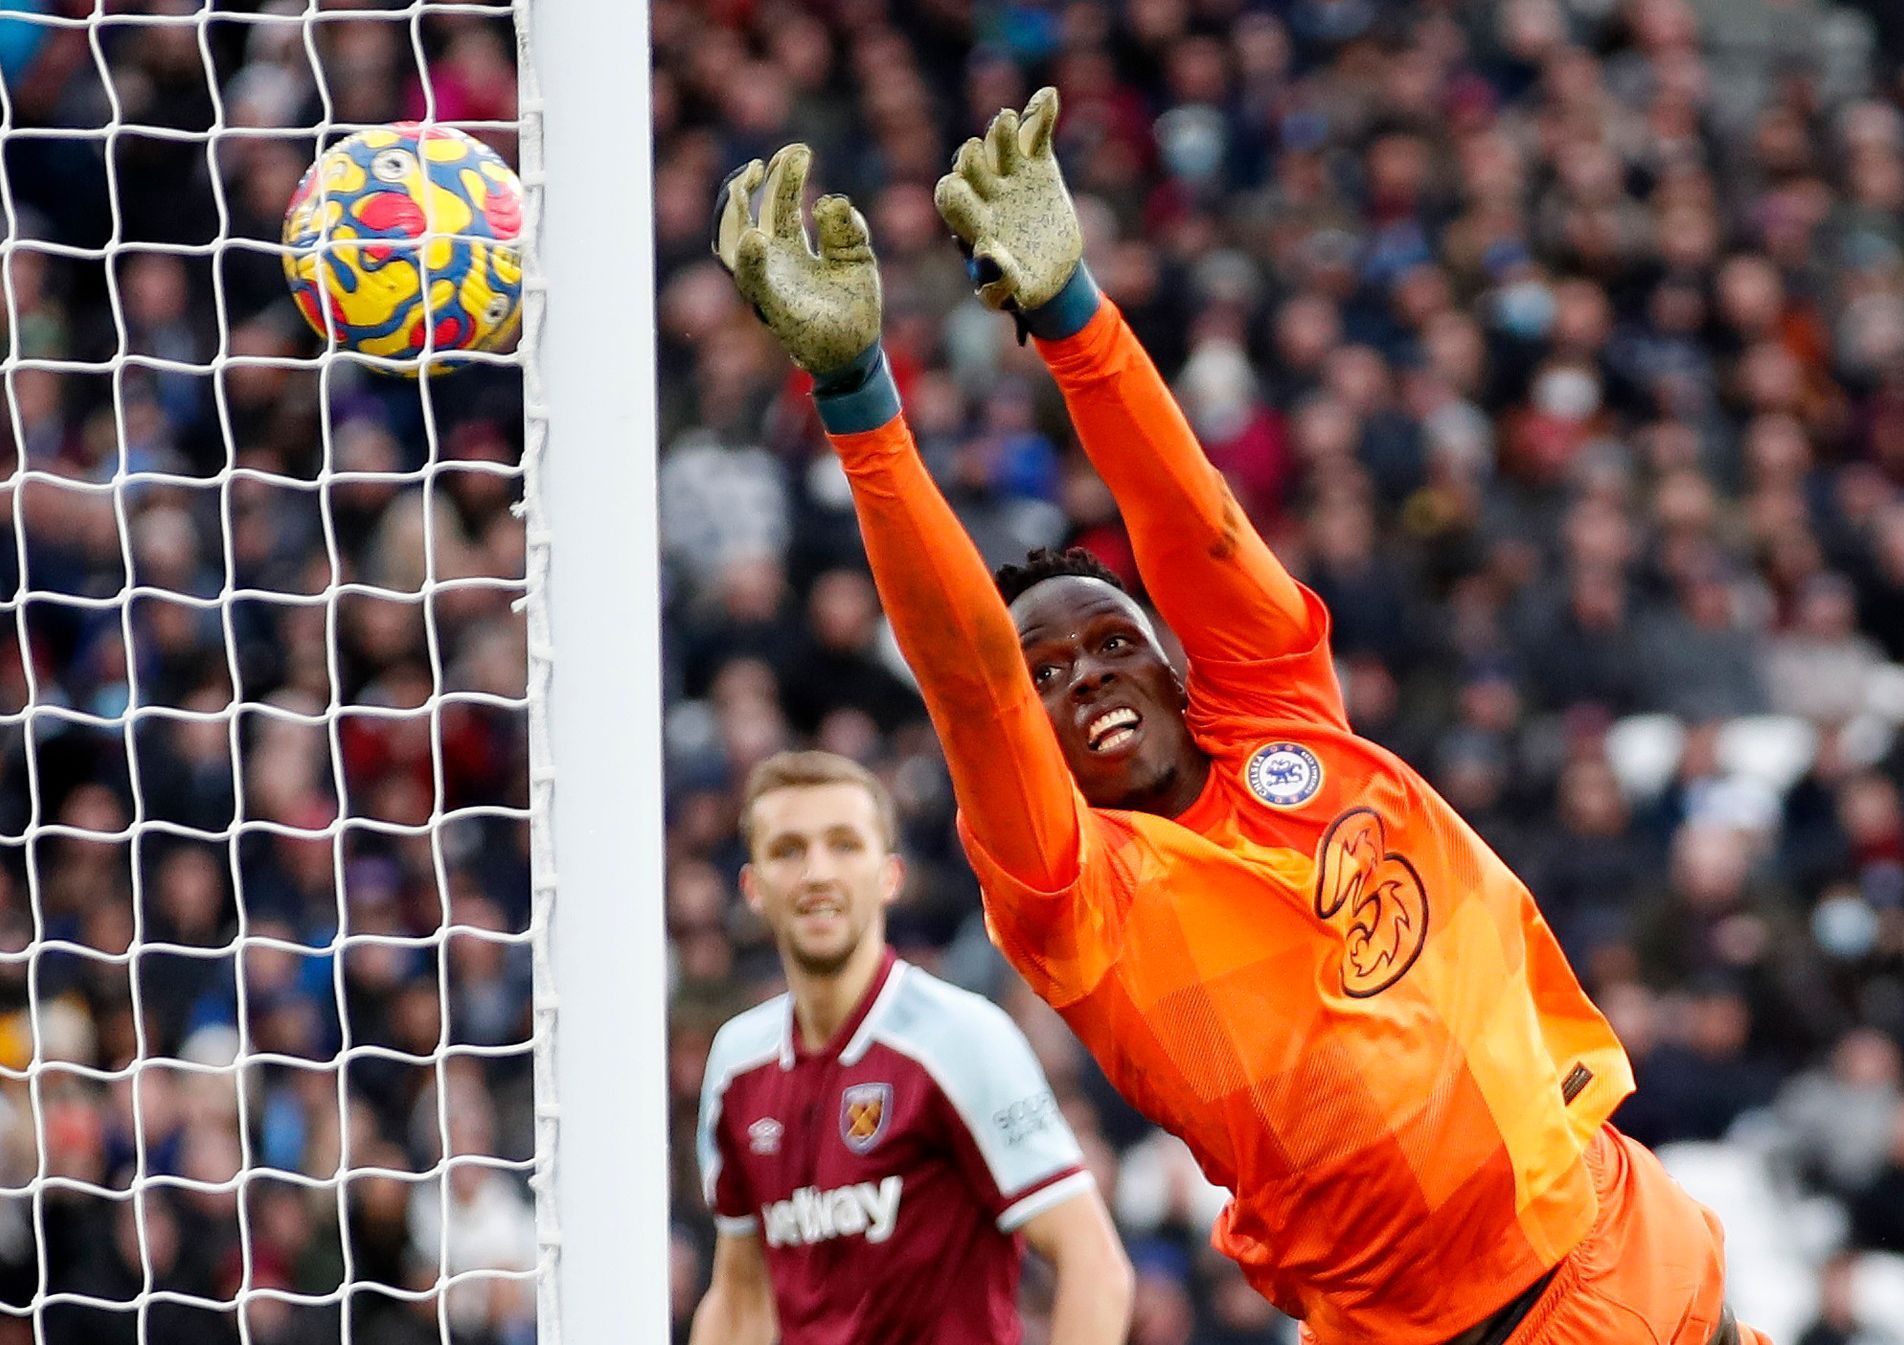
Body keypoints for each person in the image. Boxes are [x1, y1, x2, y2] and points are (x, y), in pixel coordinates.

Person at [711, 89, 1770, 1345]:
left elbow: (1191, 522)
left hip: (1621, 1250)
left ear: (1174, 668)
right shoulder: (1072, 895)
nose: (1084, 678)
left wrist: (1071, 319)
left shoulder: (1284, 712)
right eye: (1048, 675)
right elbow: (968, 680)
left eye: (1112, 646)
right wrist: (860, 400)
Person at [688, 749, 1132, 1345]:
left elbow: (1094, 1266)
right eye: (788, 850)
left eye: (844, 844)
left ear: (890, 876)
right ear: (752, 887)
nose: (818, 871)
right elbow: (741, 1294)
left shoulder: (961, 1038)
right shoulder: (736, 1061)